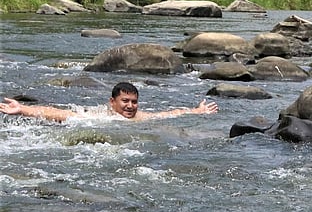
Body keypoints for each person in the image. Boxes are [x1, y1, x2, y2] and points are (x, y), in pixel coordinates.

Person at [0, 82, 217, 122]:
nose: (130, 106)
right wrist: (23, 109)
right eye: (125, 101)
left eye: (134, 102)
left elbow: (170, 113)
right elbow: (58, 113)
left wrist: (195, 112)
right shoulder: (100, 116)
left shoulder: (141, 118)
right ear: (112, 102)